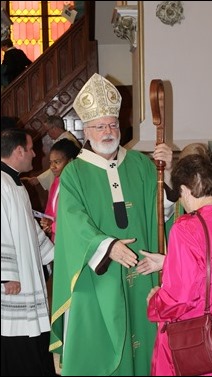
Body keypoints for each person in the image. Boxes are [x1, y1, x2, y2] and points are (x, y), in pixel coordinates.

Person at [49, 73, 175, 376]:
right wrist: (106, 246)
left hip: (142, 272)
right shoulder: (74, 174)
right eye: (99, 126)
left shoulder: (143, 165)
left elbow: (163, 214)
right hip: (96, 280)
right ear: (86, 130)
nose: (108, 131)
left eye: (113, 124)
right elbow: (73, 224)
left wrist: (167, 174)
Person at [146, 154, 212, 376]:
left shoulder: (187, 228)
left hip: (199, 340)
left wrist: (155, 302)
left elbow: (180, 297)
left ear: (184, 190)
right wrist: (169, 262)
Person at [1, 128, 56, 376]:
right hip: (13, 281)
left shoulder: (15, 184)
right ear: (18, 151)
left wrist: (51, 254)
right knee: (14, 338)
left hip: (26, 275)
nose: (36, 153)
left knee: (32, 338)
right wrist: (6, 274)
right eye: (31, 148)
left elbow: (28, 227)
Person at [137, 142, 210, 275]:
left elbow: (206, 267)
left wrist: (167, 262)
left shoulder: (211, 212)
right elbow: (160, 211)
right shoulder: (176, 195)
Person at [23, 115, 82, 191]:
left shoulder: (67, 142)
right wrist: (38, 179)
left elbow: (61, 167)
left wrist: (38, 179)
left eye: (48, 130)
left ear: (54, 128)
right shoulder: (65, 139)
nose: (48, 133)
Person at [40, 139, 81, 242]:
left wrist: (53, 226)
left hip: (72, 238)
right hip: (57, 237)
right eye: (51, 162)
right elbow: (50, 209)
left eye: (57, 162)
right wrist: (47, 221)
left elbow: (75, 218)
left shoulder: (78, 184)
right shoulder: (57, 181)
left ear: (70, 161)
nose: (52, 167)